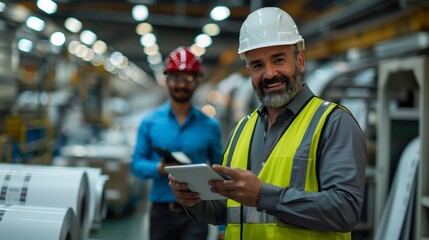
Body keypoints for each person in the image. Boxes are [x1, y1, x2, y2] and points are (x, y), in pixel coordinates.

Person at [168, 7, 366, 240]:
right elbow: (226, 210)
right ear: (249, 71)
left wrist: (263, 195)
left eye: (278, 60)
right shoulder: (243, 128)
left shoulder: (332, 123)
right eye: (257, 65)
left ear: (300, 61)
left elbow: (345, 211)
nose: (270, 74)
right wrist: (194, 201)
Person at [131, 46, 223, 240]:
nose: (181, 85)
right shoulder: (150, 122)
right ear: (167, 80)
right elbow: (137, 165)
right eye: (175, 78)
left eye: (188, 79)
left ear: (198, 82)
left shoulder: (210, 126)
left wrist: (223, 225)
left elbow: (220, 172)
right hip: (161, 212)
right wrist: (160, 168)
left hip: (198, 212)